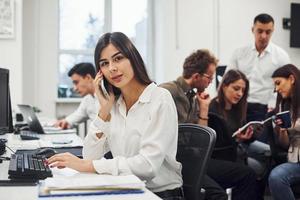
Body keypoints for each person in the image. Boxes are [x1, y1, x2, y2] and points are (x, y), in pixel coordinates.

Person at [47, 32, 184, 200]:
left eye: (118, 59)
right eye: (104, 63)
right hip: (126, 188)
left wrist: (87, 165)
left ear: (133, 59)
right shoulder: (114, 104)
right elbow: (90, 155)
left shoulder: (160, 98)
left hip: (159, 194)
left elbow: (147, 166)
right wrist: (104, 111)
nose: (111, 68)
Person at [160, 50, 257, 200]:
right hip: (174, 162)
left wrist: (203, 109)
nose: (211, 82)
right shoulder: (167, 91)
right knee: (219, 195)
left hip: (190, 159)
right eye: (210, 78)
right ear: (196, 76)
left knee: (241, 177)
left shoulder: (193, 98)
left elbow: (201, 138)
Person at [227, 13, 290, 143]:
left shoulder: (281, 56)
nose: (263, 36)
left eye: (268, 32)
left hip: (264, 108)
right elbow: (227, 81)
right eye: (260, 31)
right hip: (239, 105)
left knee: (259, 146)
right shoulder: (239, 53)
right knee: (232, 140)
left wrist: (274, 106)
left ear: (273, 31)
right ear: (253, 30)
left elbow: (287, 86)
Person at [268, 64, 300, 200]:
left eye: (278, 83)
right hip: (296, 160)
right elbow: (285, 145)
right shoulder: (283, 105)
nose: (276, 89)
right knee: (276, 177)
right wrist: (282, 130)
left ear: (291, 79)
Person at [55, 62, 98, 129]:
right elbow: (78, 115)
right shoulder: (88, 99)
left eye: (76, 82)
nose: (75, 89)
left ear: (88, 78)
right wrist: (65, 121)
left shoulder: (109, 97)